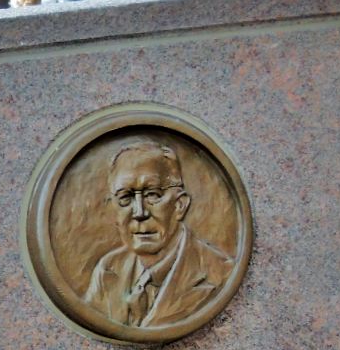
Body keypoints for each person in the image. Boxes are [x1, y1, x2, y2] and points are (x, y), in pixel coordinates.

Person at [83, 140, 234, 328]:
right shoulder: (108, 269)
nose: (139, 212)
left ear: (180, 205)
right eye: (126, 197)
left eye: (153, 194)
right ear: (112, 210)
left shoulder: (221, 273)